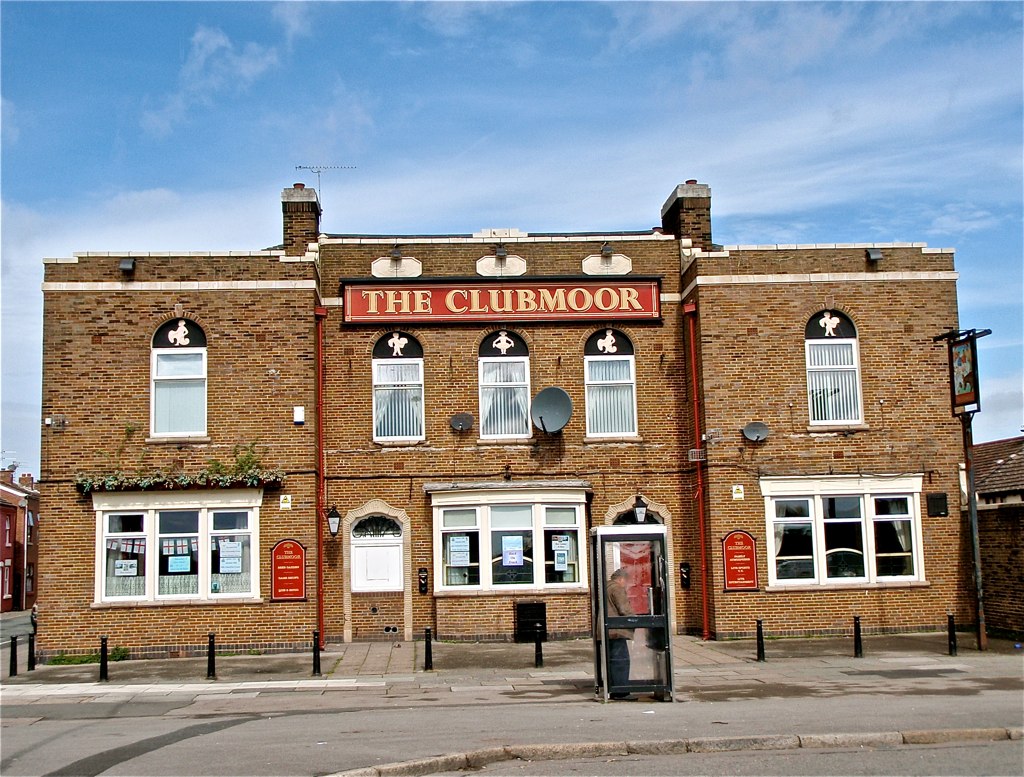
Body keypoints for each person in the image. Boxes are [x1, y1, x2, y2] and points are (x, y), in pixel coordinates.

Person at [606, 567, 634, 699]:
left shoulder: (606, 586)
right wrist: (635, 620)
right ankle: (621, 690)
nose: (626, 584)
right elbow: (624, 609)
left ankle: (615, 688)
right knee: (621, 660)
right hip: (616, 630)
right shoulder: (617, 588)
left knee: (614, 659)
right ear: (621, 579)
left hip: (608, 630)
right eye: (625, 581)